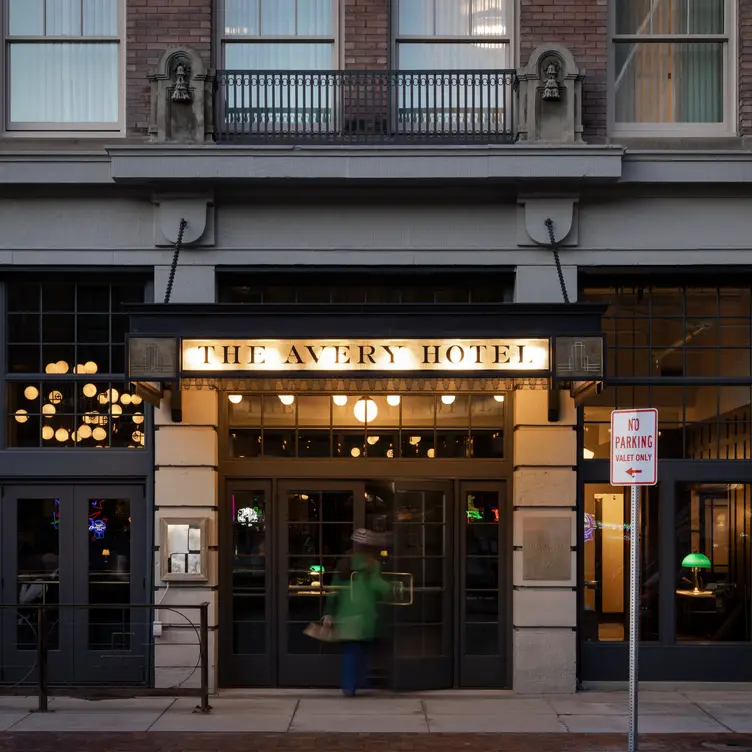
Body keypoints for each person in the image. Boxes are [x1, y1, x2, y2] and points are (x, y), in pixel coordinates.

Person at [324, 529, 390, 697]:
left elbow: (334, 589)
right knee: (364, 654)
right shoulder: (372, 564)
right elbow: (377, 585)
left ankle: (349, 686)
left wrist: (329, 612)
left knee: (349, 653)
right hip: (365, 616)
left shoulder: (344, 563)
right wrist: (393, 587)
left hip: (346, 616)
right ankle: (359, 682)